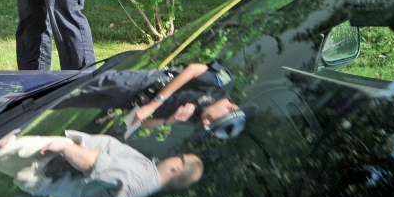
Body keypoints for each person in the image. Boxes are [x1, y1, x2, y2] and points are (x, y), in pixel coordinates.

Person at [0, 130, 203, 197]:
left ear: (178, 167)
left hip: (49, 162)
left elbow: (97, 165)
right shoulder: (142, 191)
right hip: (45, 181)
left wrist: (65, 147)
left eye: (181, 157)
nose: (177, 155)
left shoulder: (144, 174)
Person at [59, 60, 255, 139]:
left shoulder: (198, 117)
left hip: (127, 103)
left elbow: (143, 125)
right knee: (76, 85)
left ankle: (36, 102)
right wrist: (155, 103)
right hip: (140, 83)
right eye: (212, 121)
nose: (205, 122)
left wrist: (169, 121)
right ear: (231, 107)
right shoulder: (221, 84)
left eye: (209, 125)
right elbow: (194, 69)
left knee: (67, 101)